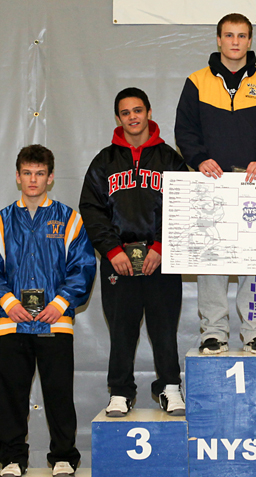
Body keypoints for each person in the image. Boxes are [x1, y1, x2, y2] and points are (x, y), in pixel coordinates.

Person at [0, 145, 96, 477]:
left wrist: (60, 303)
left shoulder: (69, 220)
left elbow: (83, 267)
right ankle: (12, 459)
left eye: (40, 173)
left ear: (50, 177)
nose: (33, 179)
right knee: (11, 393)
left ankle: (64, 457)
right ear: (17, 176)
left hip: (56, 322)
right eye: (27, 173)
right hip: (13, 323)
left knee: (59, 392)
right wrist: (9, 302)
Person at [175, 13, 256, 355]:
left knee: (255, 262)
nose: (235, 42)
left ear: (250, 41)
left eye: (242, 35)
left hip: (254, 185)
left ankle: (255, 332)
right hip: (212, 184)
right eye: (229, 35)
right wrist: (199, 159)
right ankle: (213, 332)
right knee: (211, 259)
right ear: (218, 39)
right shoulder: (196, 82)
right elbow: (184, 129)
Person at [80, 88, 187, 417]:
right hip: (119, 261)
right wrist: (112, 250)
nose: (132, 117)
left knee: (164, 329)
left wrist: (161, 246)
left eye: (137, 110)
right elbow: (91, 209)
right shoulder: (104, 161)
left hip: (160, 260)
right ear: (118, 118)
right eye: (125, 113)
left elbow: (183, 205)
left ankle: (170, 387)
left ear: (149, 112)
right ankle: (120, 391)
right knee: (122, 330)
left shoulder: (170, 159)